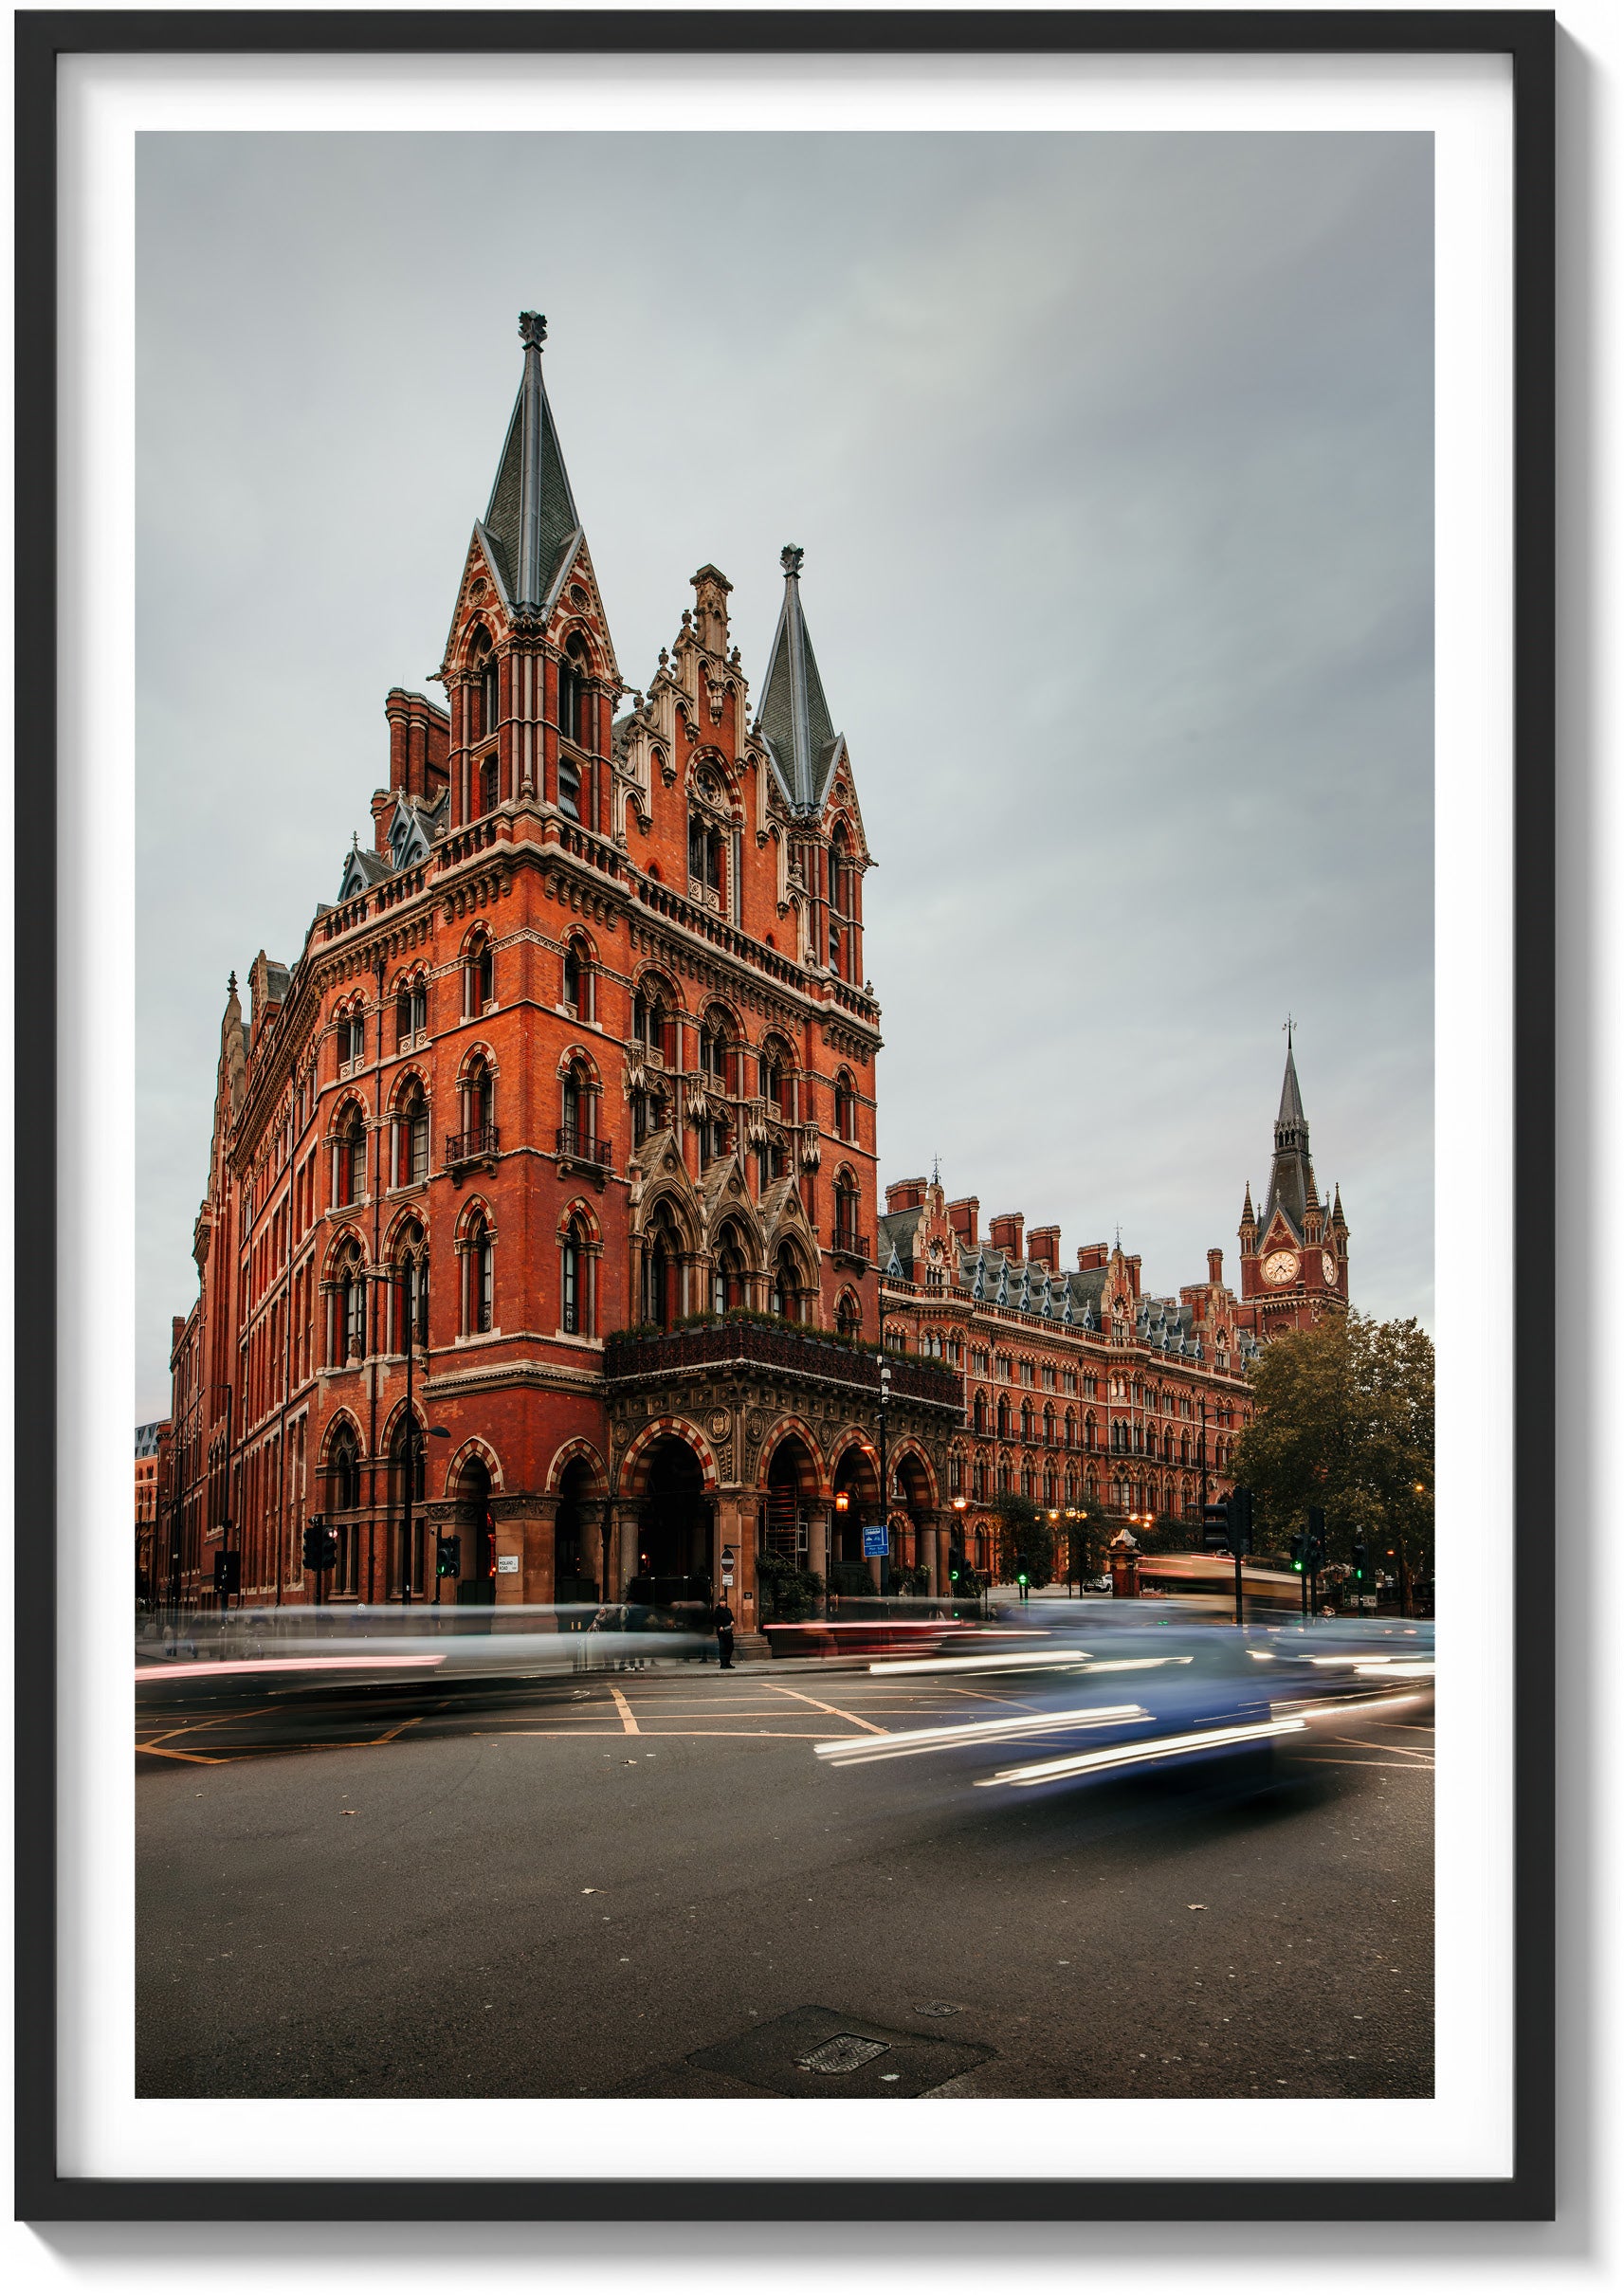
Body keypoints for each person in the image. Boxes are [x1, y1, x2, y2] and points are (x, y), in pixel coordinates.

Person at [712, 1595, 736, 1671]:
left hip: (728, 1631)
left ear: (726, 1602)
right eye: (721, 1601)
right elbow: (714, 1621)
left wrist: (732, 1621)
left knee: (730, 1647)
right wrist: (719, 1626)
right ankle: (723, 1663)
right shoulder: (717, 1611)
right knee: (722, 1647)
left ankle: (728, 1662)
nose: (722, 1603)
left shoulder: (728, 1610)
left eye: (723, 1601)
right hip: (721, 1632)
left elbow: (732, 1618)